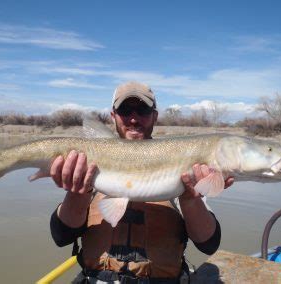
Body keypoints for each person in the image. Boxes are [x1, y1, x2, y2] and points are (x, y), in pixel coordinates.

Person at [49, 81, 234, 283]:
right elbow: (62, 236)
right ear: (113, 116)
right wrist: (78, 191)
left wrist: (190, 199)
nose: (134, 118)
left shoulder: (183, 160)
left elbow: (208, 243)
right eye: (125, 110)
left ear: (155, 116)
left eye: (143, 110)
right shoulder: (90, 160)